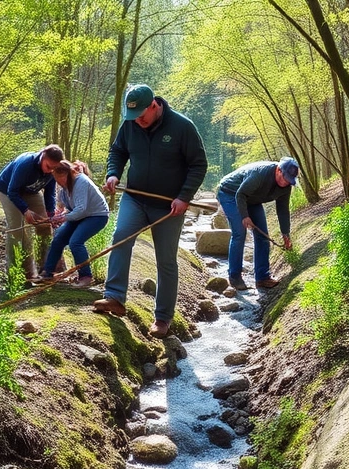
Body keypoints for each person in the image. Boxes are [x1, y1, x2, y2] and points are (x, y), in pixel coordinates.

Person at [94, 84, 207, 339]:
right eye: (133, 117)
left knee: (165, 260)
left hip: (169, 206)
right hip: (134, 198)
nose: (138, 122)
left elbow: (199, 164)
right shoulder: (130, 124)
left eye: (142, 116)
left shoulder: (182, 127)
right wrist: (113, 173)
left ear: (154, 105)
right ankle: (114, 297)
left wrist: (184, 197)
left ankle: (162, 318)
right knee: (120, 239)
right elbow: (118, 151)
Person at [216, 158, 298, 290]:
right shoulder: (259, 174)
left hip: (252, 198)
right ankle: (235, 276)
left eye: (289, 180)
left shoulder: (286, 186)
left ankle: (262, 278)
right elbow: (240, 194)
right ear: (278, 170)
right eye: (284, 178)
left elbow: (283, 210)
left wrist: (285, 234)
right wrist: (244, 216)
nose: (285, 182)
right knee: (239, 233)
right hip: (230, 193)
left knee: (263, 236)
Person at [0, 144, 64, 279]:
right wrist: (25, 211)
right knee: (17, 230)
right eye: (48, 167)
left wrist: (50, 214)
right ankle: (18, 273)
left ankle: (46, 269)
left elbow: (49, 193)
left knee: (44, 225)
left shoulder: (52, 171)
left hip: (30, 191)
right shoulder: (25, 164)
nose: (50, 171)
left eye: (54, 168)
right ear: (42, 156)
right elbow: (12, 191)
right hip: (8, 190)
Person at [38, 161, 110, 287]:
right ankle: (47, 274)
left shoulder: (81, 181)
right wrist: (55, 216)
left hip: (96, 216)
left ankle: (85, 277)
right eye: (56, 179)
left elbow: (81, 209)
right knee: (58, 239)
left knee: (75, 242)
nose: (59, 182)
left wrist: (63, 218)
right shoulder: (63, 188)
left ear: (67, 174)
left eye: (60, 179)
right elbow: (61, 206)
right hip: (77, 216)